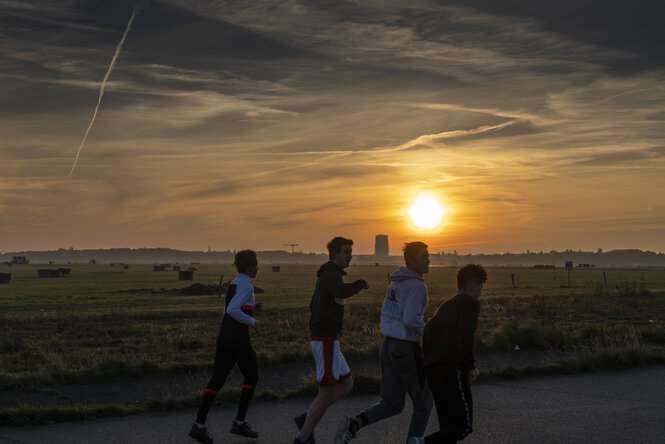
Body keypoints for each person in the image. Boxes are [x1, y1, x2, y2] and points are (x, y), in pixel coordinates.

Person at [335, 241, 433, 444]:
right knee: (423, 402)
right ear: (411, 260)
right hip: (406, 349)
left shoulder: (395, 284)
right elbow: (410, 319)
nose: (428, 259)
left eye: (428, 255)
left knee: (392, 403)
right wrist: (429, 332)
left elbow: (390, 315)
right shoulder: (417, 286)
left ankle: (354, 425)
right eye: (423, 256)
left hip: (388, 346)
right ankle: (414, 441)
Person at [293, 237, 370, 444]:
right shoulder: (330, 274)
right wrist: (361, 284)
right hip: (325, 338)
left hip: (329, 337)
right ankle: (302, 438)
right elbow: (341, 291)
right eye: (346, 252)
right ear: (334, 254)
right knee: (326, 392)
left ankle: (307, 418)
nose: (349, 255)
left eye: (350, 252)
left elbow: (313, 304)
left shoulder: (328, 275)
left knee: (346, 383)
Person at [189, 249, 263, 444]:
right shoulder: (247, 286)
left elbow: (227, 309)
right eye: (256, 264)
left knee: (216, 382)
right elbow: (232, 310)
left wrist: (253, 308)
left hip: (224, 338)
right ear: (249, 267)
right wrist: (252, 321)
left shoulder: (233, 284)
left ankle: (199, 425)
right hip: (239, 340)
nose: (258, 268)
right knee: (252, 376)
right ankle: (239, 422)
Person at [421, 264, 487, 444]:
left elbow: (428, 332)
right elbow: (464, 334)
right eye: (480, 287)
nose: (480, 292)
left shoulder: (445, 306)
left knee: (447, 426)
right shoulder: (471, 303)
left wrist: (428, 361)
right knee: (462, 425)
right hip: (451, 367)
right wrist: (470, 365)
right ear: (473, 286)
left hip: (432, 368)